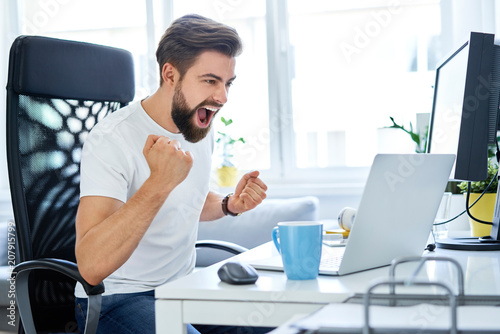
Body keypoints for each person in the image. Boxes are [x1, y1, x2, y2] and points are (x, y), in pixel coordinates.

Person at [74, 14, 269, 334]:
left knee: (273, 323)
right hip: (117, 299)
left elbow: (188, 200)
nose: (222, 97)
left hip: (183, 290)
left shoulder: (198, 125)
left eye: (227, 83)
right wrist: (159, 182)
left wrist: (229, 204)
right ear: (170, 74)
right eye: (210, 80)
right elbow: (92, 266)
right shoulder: (111, 139)